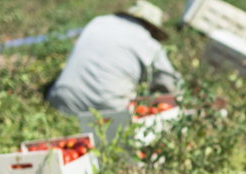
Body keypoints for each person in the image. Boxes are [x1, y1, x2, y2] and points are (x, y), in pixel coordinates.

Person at [47, 1, 182, 115]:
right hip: (105, 112)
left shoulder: (98, 21)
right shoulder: (147, 41)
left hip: (59, 102)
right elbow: (171, 85)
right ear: (151, 27)